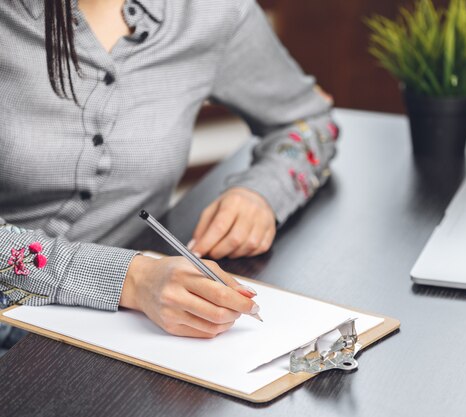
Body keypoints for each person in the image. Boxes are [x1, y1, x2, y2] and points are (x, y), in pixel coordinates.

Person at [0, 0, 339, 344]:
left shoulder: (211, 11)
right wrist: (131, 280)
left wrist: (261, 192)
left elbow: (308, 120)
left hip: (124, 336)